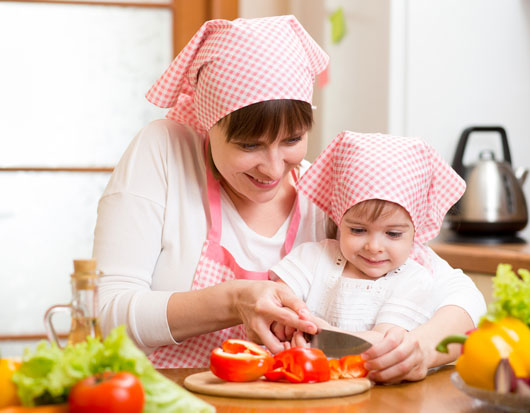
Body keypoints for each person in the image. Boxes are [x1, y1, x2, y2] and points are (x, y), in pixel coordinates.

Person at [93, 15, 486, 382]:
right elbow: (106, 313)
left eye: (292, 140)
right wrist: (235, 301)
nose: (274, 167)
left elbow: (462, 294)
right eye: (249, 145)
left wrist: (422, 349)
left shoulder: (325, 193)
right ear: (210, 124)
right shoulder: (165, 151)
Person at [270, 131, 475, 354]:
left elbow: (385, 341)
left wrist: (323, 336)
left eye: (393, 234)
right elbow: (276, 301)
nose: (374, 246)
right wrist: (288, 324)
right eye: (358, 230)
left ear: (416, 232)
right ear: (339, 219)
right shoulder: (311, 258)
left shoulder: (414, 280)